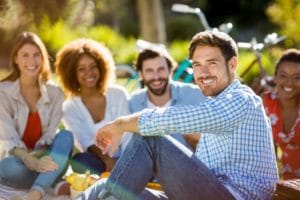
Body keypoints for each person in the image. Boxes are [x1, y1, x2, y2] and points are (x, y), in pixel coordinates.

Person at [79, 30, 279, 200]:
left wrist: (121, 124)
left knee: (152, 140)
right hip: (209, 191)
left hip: (234, 195)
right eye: (197, 65)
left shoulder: (241, 100)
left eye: (212, 63)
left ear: (232, 64)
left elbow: (179, 119)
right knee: (105, 186)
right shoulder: (217, 101)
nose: (203, 72)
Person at [0, 31, 73, 200]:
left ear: (43, 58)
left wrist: (40, 159)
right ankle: (53, 182)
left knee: (66, 136)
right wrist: (30, 160)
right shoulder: (3, 93)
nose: (31, 61)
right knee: (9, 166)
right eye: (25, 55)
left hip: (45, 158)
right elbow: (8, 139)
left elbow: (49, 136)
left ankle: (35, 193)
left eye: (36, 55)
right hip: (17, 163)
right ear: (16, 59)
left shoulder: (55, 94)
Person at [55, 38, 132, 175]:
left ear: (101, 67)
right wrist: (108, 161)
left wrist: (127, 163)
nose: (89, 73)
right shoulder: (69, 107)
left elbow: (128, 133)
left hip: (129, 156)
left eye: (93, 66)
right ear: (72, 74)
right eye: (81, 69)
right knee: (81, 161)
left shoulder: (118, 94)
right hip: (99, 161)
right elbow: (86, 142)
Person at [129, 48, 206, 150]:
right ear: (140, 74)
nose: (156, 77)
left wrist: (197, 140)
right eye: (149, 71)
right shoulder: (133, 102)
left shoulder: (196, 95)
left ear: (170, 71)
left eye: (161, 69)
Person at [262, 48, 300, 180]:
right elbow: (267, 149)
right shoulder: (267, 103)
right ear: (275, 77)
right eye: (283, 76)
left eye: (297, 78)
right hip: (289, 183)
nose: (289, 82)